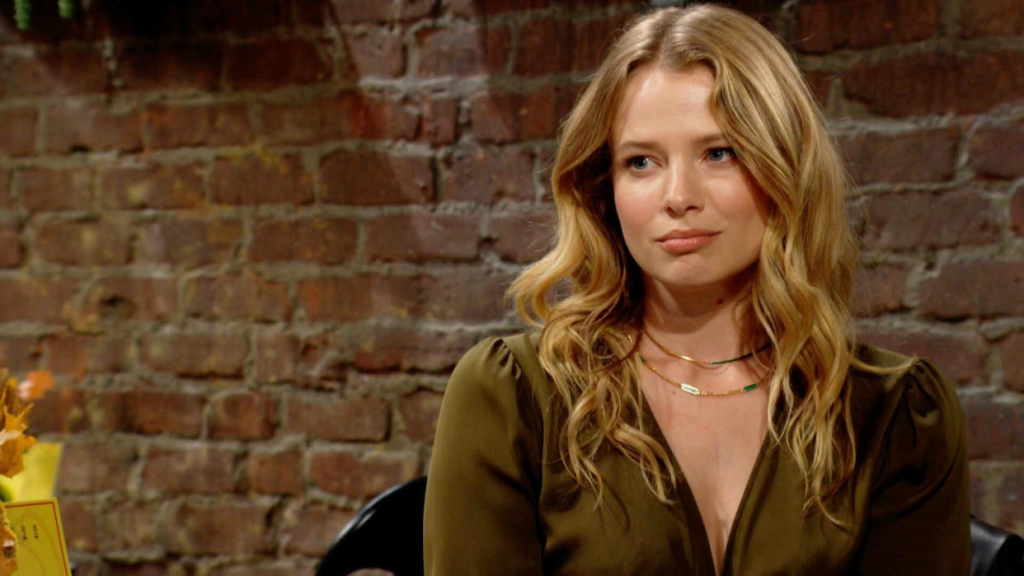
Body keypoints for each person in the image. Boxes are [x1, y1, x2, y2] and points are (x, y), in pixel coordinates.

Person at [423, 4, 970, 575]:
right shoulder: (514, 398)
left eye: (719, 153)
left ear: (787, 168)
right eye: (641, 162)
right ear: (604, 188)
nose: (678, 196)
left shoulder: (897, 416)